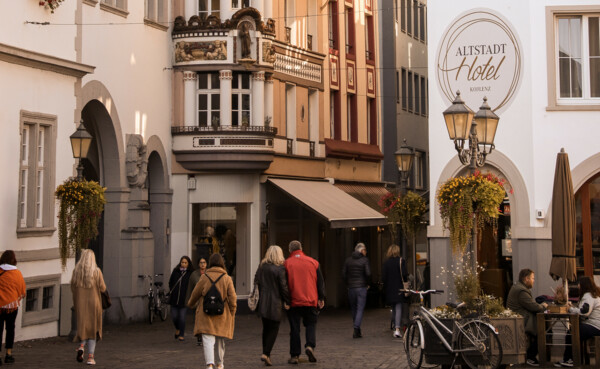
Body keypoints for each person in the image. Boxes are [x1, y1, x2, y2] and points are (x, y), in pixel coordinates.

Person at [188, 253, 237, 369]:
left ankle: (210, 364)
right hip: (222, 314)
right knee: (220, 339)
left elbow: (195, 293)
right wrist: (232, 312)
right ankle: (220, 364)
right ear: (222, 263)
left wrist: (190, 304)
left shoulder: (204, 277)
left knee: (207, 339)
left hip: (206, 313)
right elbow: (233, 298)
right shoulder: (227, 278)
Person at [284, 240, 325, 364]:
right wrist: (321, 298)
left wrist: (285, 300)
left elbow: (284, 284)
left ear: (290, 250)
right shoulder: (314, 262)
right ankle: (310, 346)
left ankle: (295, 355)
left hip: (294, 300)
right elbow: (320, 282)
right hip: (310, 299)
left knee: (295, 328)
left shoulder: (286, 264)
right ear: (301, 248)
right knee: (311, 324)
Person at [255, 245, 290, 366]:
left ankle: (266, 353)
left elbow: (256, 281)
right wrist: (288, 301)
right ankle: (266, 353)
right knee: (274, 328)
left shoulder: (262, 267)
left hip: (263, 301)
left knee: (266, 328)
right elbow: (283, 287)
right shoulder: (280, 268)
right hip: (275, 302)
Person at [71, 249, 107, 365]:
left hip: (81, 304)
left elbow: (72, 287)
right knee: (93, 330)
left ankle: (81, 346)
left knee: (83, 327)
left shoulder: (76, 272)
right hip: (94, 304)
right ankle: (91, 357)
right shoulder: (96, 272)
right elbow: (103, 288)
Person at [506, 268, 548, 367]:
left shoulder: (519, 287)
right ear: (526, 279)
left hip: (520, 318)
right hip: (521, 320)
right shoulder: (521, 291)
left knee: (544, 328)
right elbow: (533, 306)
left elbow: (531, 304)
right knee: (543, 331)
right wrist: (543, 306)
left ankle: (531, 355)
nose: (534, 280)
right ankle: (530, 356)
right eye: (532, 278)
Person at [556, 276, 600, 367]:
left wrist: (571, 309)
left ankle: (569, 359)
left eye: (579, 284)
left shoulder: (588, 296)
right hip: (596, 325)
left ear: (584, 285)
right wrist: (573, 307)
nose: (578, 286)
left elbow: (584, 312)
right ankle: (572, 358)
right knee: (574, 331)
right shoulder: (593, 294)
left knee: (572, 332)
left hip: (594, 325)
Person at [0, 250, 26, 365]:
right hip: (12, 306)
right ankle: (8, 354)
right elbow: (21, 289)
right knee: (10, 329)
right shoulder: (17, 273)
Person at [342, 242, 371, 338]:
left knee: (354, 309)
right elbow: (368, 273)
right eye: (365, 250)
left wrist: (348, 284)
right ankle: (356, 328)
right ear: (362, 251)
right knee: (360, 309)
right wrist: (367, 284)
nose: (366, 252)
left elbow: (344, 274)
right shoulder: (364, 260)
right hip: (361, 287)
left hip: (351, 288)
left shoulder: (348, 260)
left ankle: (357, 329)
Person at [382, 244, 409, 338]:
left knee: (393, 308)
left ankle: (394, 325)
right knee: (398, 307)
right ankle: (397, 328)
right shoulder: (401, 261)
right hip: (399, 287)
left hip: (389, 288)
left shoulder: (386, 263)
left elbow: (384, 277)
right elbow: (405, 274)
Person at [169, 255, 194, 341]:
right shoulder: (176, 271)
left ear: (188, 264)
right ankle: (178, 329)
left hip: (184, 299)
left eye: (185, 263)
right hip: (174, 299)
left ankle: (182, 334)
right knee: (174, 317)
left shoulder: (190, 273)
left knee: (182, 317)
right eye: (182, 262)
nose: (183, 264)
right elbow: (171, 282)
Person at [187, 257, 208, 346]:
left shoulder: (210, 274)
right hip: (198, 302)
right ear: (198, 264)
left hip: (207, 301)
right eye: (201, 262)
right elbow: (190, 289)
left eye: (204, 262)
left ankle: (206, 336)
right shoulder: (194, 275)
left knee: (206, 320)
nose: (202, 264)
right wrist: (189, 301)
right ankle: (199, 336)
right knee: (198, 320)